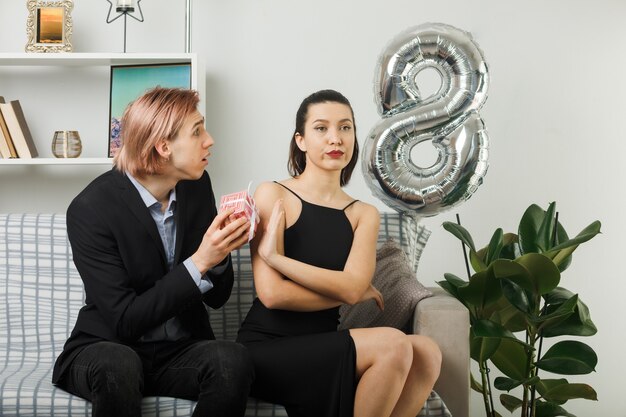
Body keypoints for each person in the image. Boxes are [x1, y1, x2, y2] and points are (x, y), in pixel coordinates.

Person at [236, 89, 442, 417]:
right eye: (322, 128)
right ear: (300, 140)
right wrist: (350, 291)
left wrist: (278, 259)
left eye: (345, 128)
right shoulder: (273, 194)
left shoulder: (364, 214)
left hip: (325, 346)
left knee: (427, 352)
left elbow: (352, 287)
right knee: (394, 343)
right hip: (268, 348)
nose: (336, 138)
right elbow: (273, 294)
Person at [52, 87, 255, 417]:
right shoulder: (90, 209)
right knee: (118, 363)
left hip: (177, 351)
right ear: (163, 147)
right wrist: (201, 260)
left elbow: (218, 297)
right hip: (107, 347)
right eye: (197, 131)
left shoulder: (197, 185)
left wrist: (220, 255)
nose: (210, 140)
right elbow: (125, 320)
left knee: (232, 358)